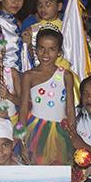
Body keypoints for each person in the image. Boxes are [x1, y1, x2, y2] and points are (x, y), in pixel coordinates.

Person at [18, 27, 76, 165]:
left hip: (60, 131)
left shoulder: (66, 75)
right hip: (35, 130)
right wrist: (21, 139)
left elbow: (70, 108)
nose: (46, 53)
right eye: (42, 48)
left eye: (52, 49)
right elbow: (23, 108)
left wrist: (72, 132)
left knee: (58, 172)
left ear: (59, 52)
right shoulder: (28, 76)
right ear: (35, 49)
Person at [20, 0, 64, 69]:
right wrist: (27, 44)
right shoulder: (32, 30)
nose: (42, 8)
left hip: (62, 71)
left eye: (47, 4)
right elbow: (30, 58)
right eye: (39, 5)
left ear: (59, 6)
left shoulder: (66, 28)